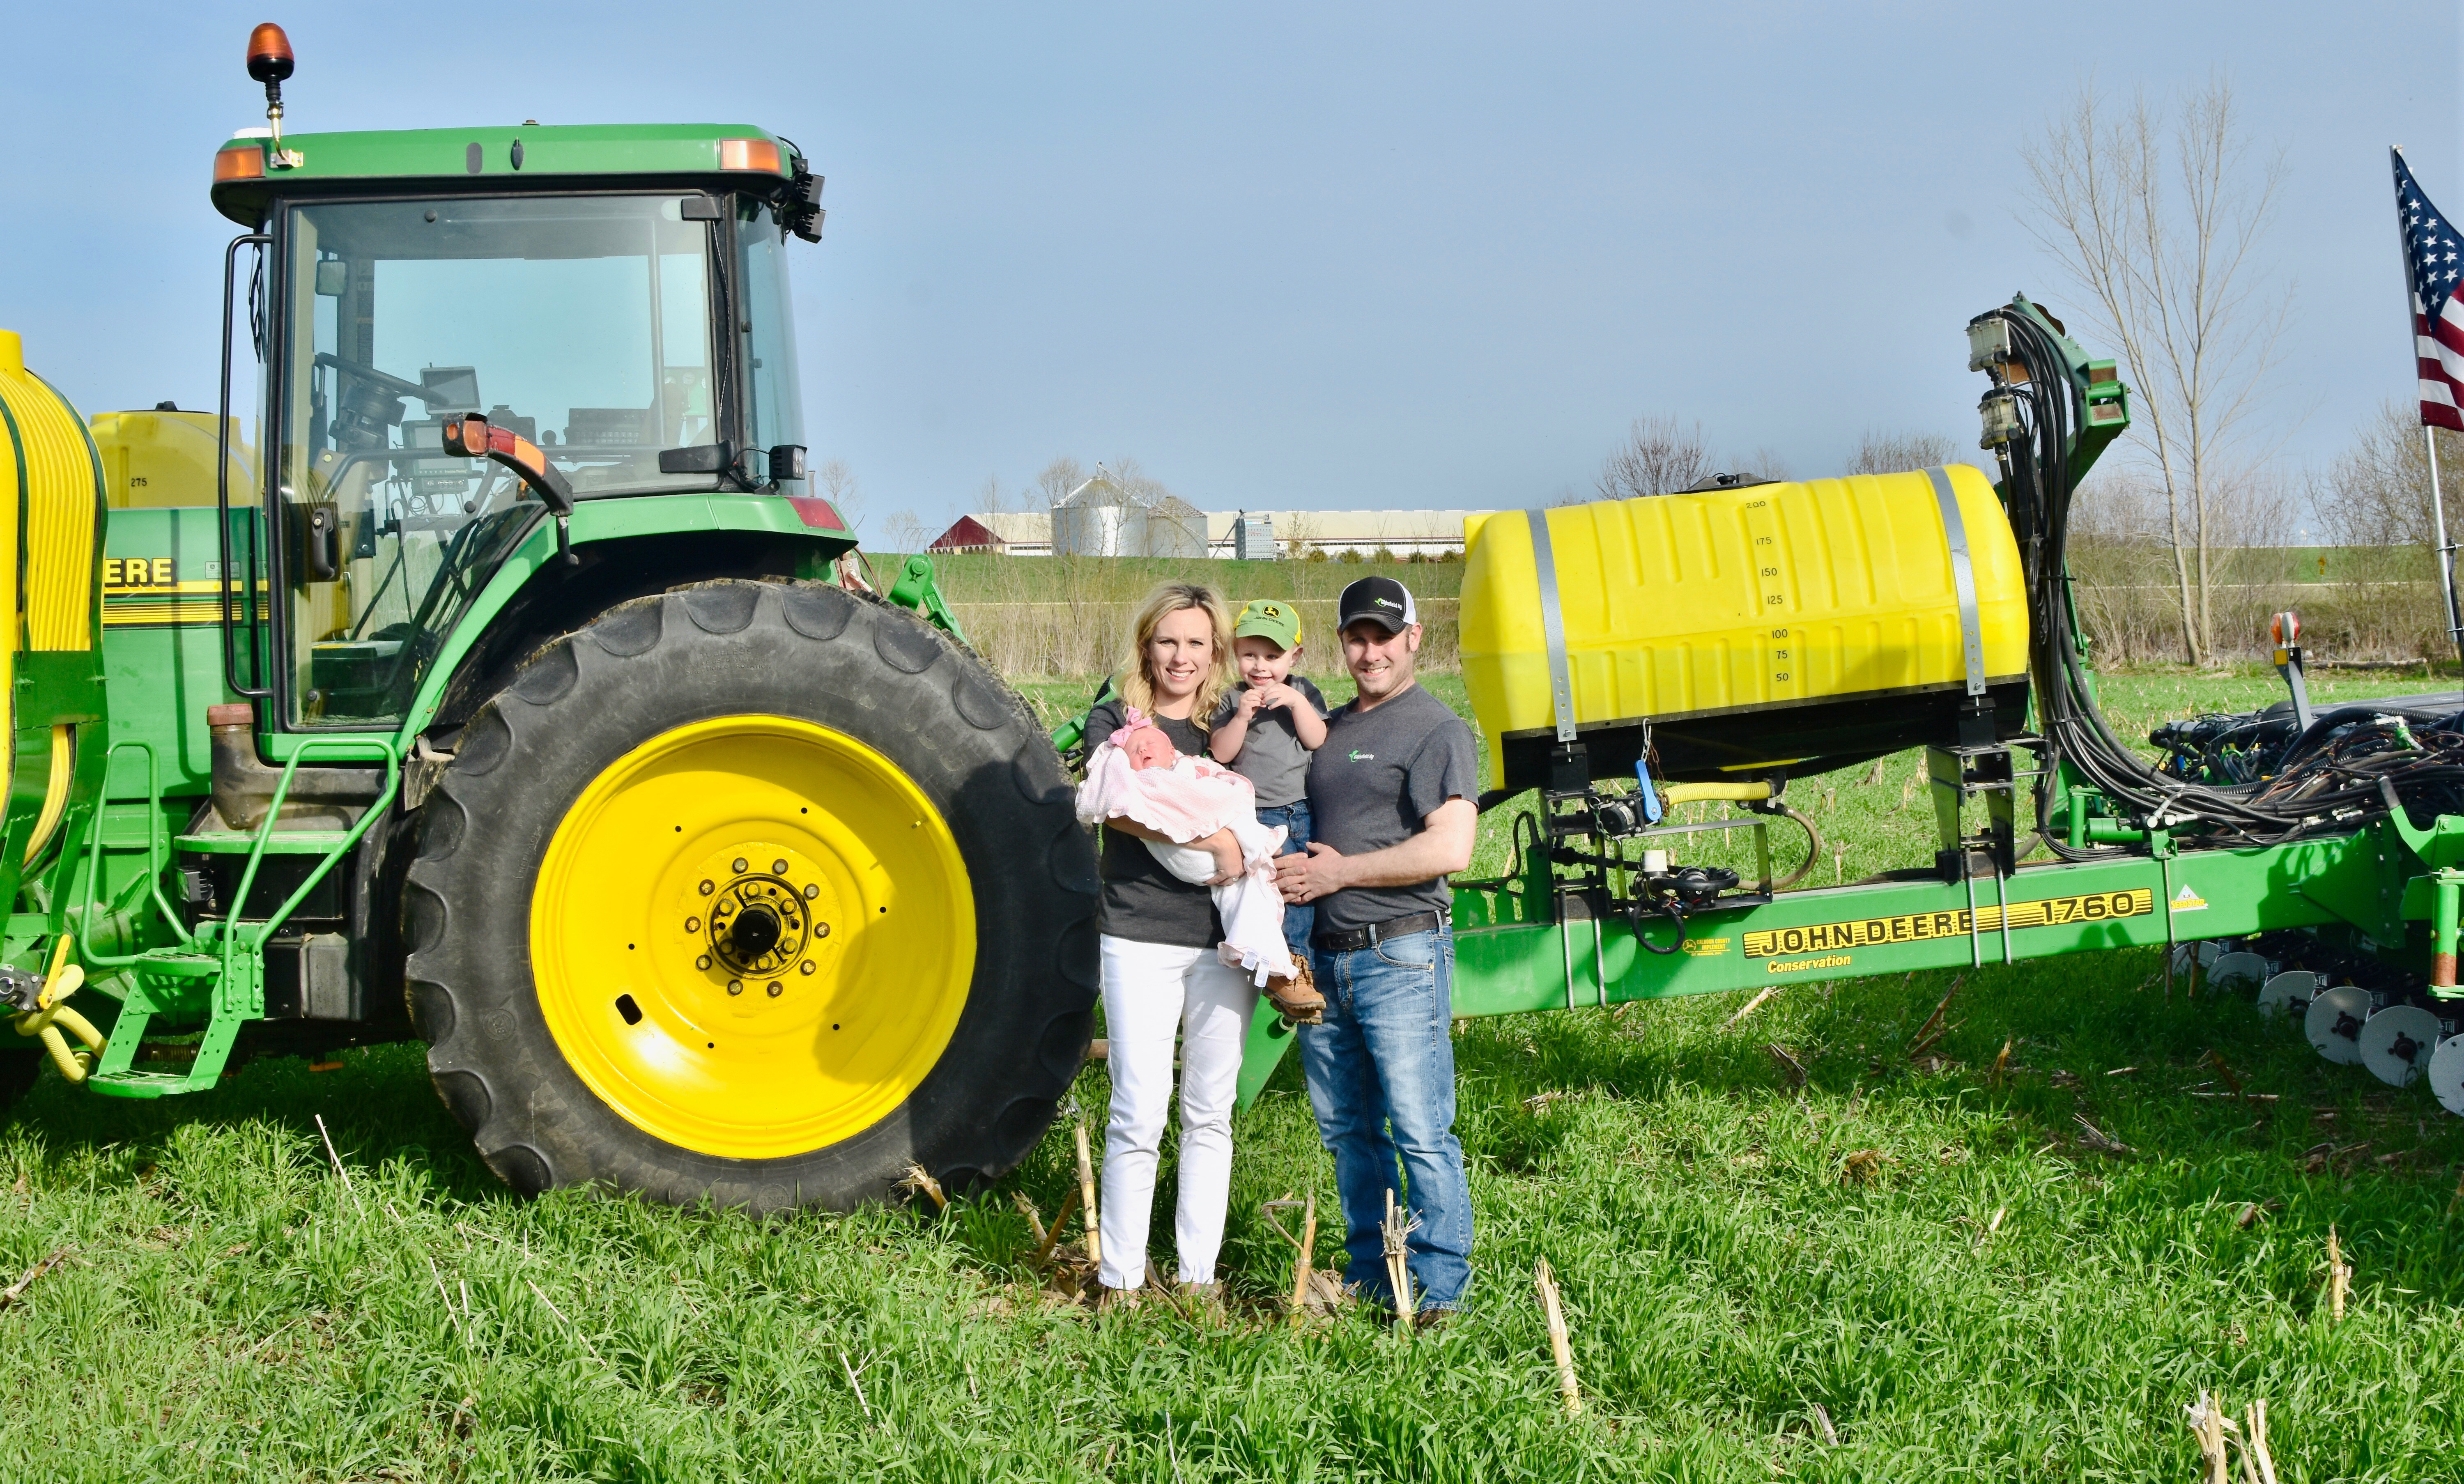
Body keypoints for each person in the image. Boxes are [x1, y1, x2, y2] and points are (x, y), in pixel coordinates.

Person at [1273, 575, 1480, 1322]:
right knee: (1349, 1130)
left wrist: (1340, 871)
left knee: (1421, 1127)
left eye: (1385, 636)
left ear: (1415, 638)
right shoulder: (1327, 727)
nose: (1371, 651)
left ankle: (1439, 1289)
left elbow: (1450, 846)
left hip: (1400, 954)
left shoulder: (1436, 729)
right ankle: (1372, 1269)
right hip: (1324, 958)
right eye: (1357, 637)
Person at [1080, 583, 1254, 1309]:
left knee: (1211, 1112)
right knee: (1139, 1109)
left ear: (1213, 651)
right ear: (1146, 644)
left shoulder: (1227, 725)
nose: (1181, 656)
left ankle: (1197, 1276)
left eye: (1195, 642)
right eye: (1167, 641)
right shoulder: (1118, 719)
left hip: (1221, 942)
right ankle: (1121, 1279)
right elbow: (1116, 808)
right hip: (1140, 935)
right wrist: (1210, 838)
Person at [1074, 709, 1304, 995]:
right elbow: (1106, 800)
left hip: (1215, 936)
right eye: (1133, 749)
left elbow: (1219, 788)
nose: (1142, 748)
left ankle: (1273, 958)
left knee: (1251, 897)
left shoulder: (1226, 713)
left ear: (1173, 751)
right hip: (1140, 929)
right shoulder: (1115, 716)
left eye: (1150, 743)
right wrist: (1218, 843)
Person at [1207, 598, 1330, 1022]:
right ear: (1235, 653)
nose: (1261, 666)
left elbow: (1317, 739)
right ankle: (1267, 961)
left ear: (1294, 656)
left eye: (1273, 656)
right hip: (1250, 814)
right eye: (1250, 654)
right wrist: (1240, 717)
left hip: (1297, 809)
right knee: (1260, 888)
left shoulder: (1304, 692)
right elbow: (1221, 752)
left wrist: (1297, 703)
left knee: (1295, 888)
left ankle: (1295, 965)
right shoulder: (1231, 699)